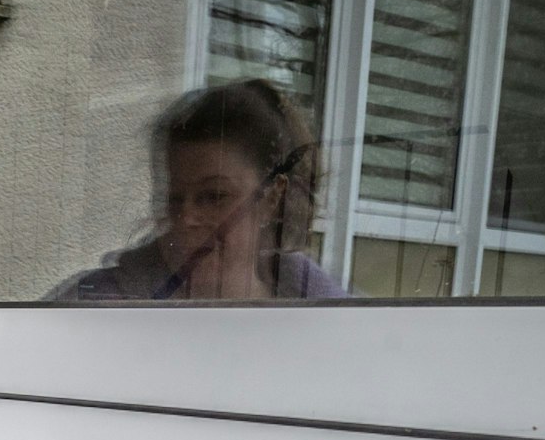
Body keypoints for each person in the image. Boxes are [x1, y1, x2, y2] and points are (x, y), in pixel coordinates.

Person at [53, 78, 349, 302]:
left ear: (272, 198)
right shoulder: (93, 309)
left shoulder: (333, 318)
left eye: (215, 196)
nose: (187, 218)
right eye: (175, 198)